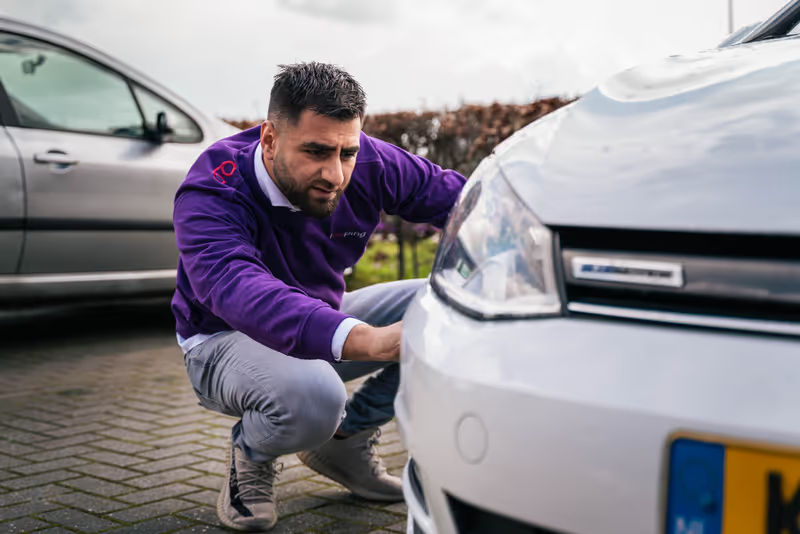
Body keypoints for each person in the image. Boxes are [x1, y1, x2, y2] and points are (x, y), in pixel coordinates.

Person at [171, 62, 466, 531]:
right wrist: (369, 341)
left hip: (322, 317)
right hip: (222, 338)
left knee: (444, 308)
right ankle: (252, 451)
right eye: (315, 151)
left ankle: (346, 440)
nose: (336, 174)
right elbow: (235, 287)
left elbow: (465, 203)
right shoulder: (214, 186)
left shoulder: (368, 161)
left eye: (347, 152)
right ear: (269, 138)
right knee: (314, 396)